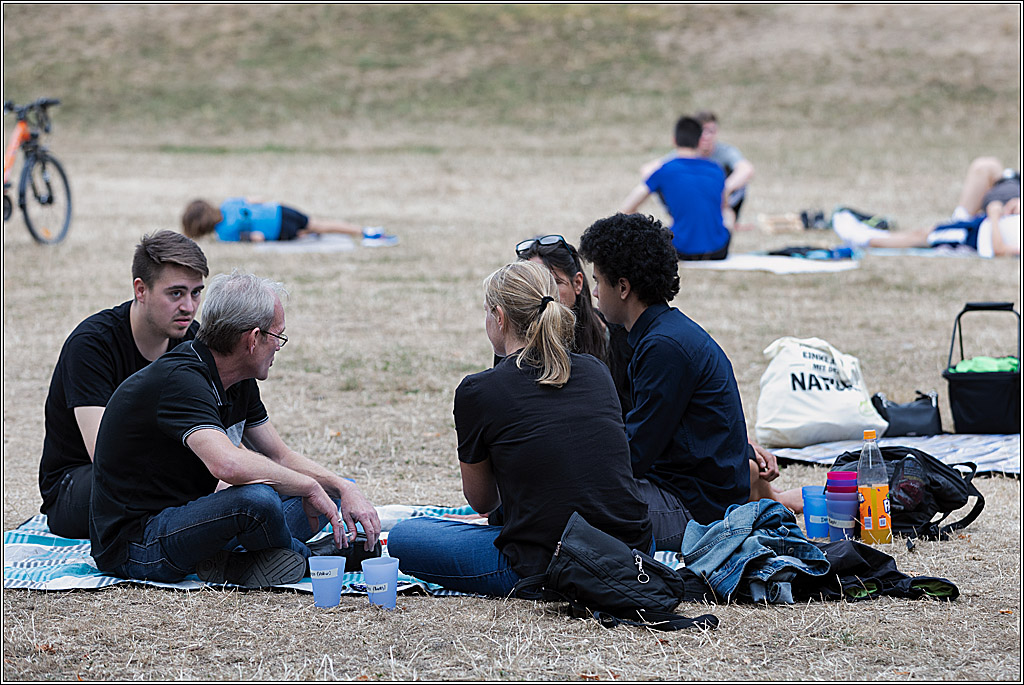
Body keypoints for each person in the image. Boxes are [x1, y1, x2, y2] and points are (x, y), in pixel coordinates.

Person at [89, 271, 381, 588]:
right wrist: (307, 487)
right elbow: (227, 464)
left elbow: (279, 456)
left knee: (330, 491)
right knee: (257, 501)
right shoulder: (181, 380)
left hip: (191, 519)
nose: (279, 348)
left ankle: (241, 559)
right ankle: (311, 559)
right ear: (253, 340)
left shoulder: (237, 378)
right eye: (278, 336)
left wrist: (342, 487)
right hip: (137, 545)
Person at [386, 261, 653, 596]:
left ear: (499, 317)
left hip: (544, 565)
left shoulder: (478, 390)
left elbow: (482, 499)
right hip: (633, 551)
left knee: (405, 537)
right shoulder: (595, 371)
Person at [578, 213, 801, 550]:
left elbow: (634, 454)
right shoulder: (664, 333)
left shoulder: (662, 348)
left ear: (623, 287)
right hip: (696, 495)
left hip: (697, 512)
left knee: (569, 501)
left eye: (598, 281)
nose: (594, 293)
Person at [38, 231, 209, 539]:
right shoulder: (92, 344)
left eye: (196, 293)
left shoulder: (194, 342)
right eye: (176, 294)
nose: (189, 306)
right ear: (140, 290)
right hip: (79, 485)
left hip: (155, 479)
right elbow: (104, 455)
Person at [513, 234, 633, 417]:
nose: (545, 294)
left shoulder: (612, 333)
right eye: (534, 286)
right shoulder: (514, 339)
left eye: (554, 282)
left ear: (577, 283)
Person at [620, 116, 732, 261]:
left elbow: (627, 208)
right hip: (719, 251)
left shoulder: (665, 170)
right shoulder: (717, 169)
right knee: (728, 214)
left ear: (674, 140)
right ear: (699, 141)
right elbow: (725, 208)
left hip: (680, 250)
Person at [181, 197, 398, 247]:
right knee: (317, 223)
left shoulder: (224, 234)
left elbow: (256, 238)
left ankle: (365, 235)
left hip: (278, 230)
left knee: (309, 231)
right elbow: (257, 199)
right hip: (279, 210)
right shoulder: (229, 204)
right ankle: (364, 231)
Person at [694, 111, 755, 228]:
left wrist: (723, 189)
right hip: (692, 201)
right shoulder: (685, 153)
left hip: (721, 203)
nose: (706, 135)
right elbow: (652, 170)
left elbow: (747, 169)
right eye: (702, 131)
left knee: (740, 180)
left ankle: (727, 219)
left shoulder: (725, 151)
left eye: (711, 131)